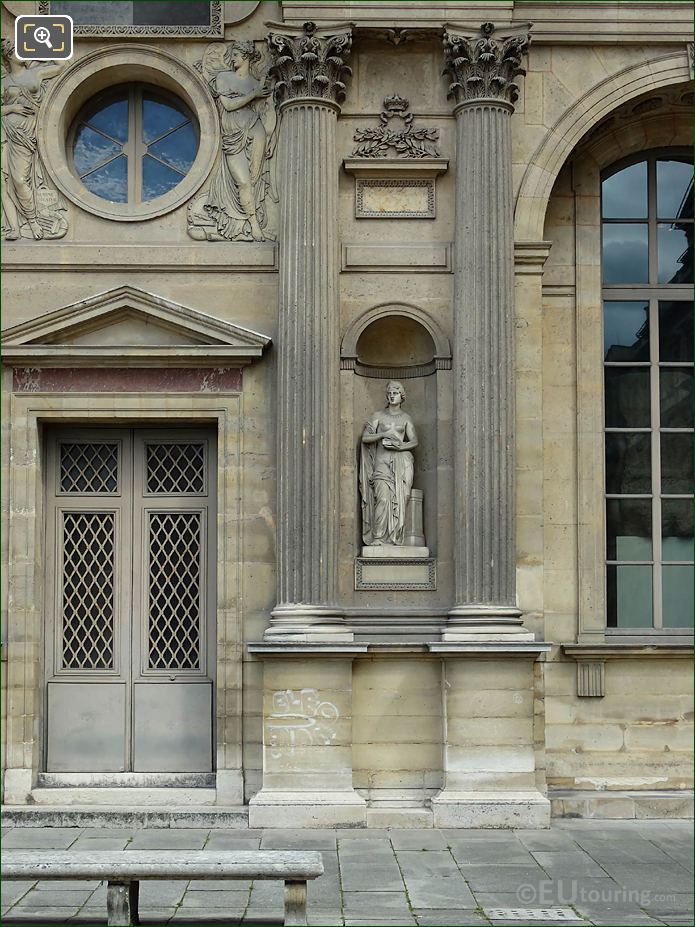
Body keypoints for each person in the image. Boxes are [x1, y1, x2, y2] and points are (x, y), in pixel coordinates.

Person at [188, 40, 276, 242]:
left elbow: (269, 111)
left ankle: (250, 224)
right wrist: (253, 95)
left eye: (235, 54)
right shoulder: (224, 78)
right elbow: (227, 105)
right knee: (243, 182)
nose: (232, 58)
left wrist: (272, 137)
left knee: (254, 180)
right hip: (232, 135)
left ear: (245, 56)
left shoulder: (256, 82)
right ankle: (253, 225)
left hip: (255, 129)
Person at [1, 39, 67, 241]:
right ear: (9, 55)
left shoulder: (36, 73)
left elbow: (63, 65)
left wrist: (44, 42)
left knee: (22, 180)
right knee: (17, 181)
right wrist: (12, 108)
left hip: (32, 135)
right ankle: (31, 221)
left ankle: (32, 220)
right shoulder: (4, 81)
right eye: (17, 49)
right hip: (10, 135)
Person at [360, 381, 419, 547]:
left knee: (402, 498)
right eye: (390, 393)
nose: (392, 395)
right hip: (382, 463)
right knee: (383, 499)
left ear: (402, 396)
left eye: (396, 392)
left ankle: (394, 536)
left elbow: (414, 441)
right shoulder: (378, 416)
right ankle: (378, 537)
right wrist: (382, 434)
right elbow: (365, 438)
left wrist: (401, 446)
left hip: (400, 464)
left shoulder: (406, 418)